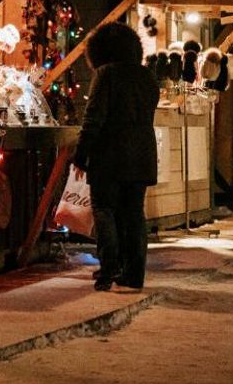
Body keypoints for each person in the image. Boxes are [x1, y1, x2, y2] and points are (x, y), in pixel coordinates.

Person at [71, 22, 159, 293]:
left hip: (109, 154)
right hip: (142, 154)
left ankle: (108, 267)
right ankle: (134, 273)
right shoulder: (147, 77)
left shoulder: (106, 74)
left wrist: (80, 154)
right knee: (133, 214)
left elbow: (93, 118)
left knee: (104, 209)